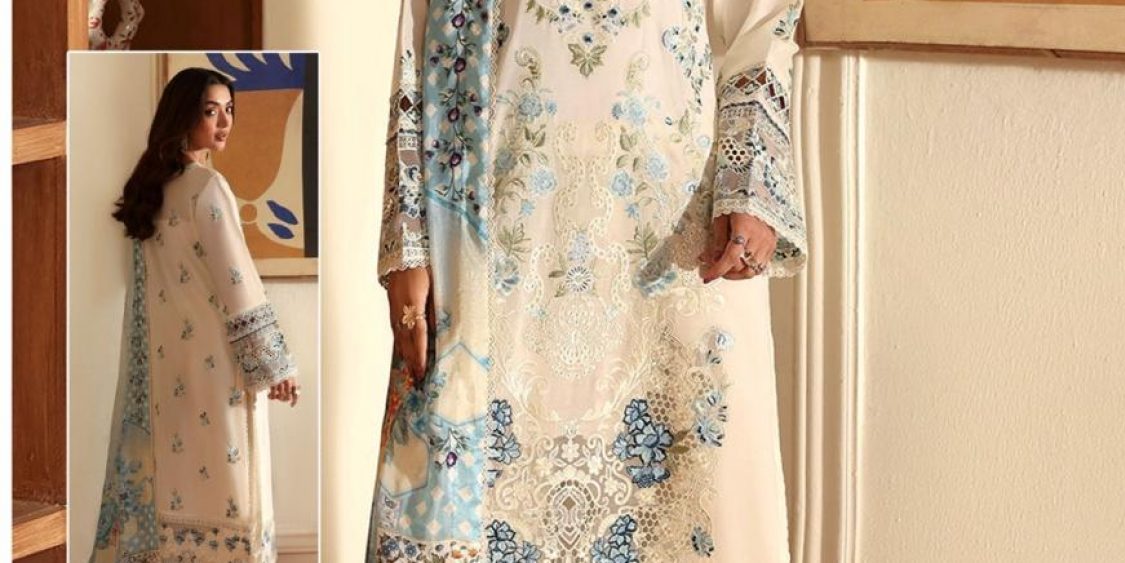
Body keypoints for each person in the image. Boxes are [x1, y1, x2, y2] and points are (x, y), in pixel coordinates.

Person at [368, 0, 808, 560]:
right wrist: (408, 238)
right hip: (492, 221)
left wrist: (750, 182)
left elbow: (762, 24)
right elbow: (421, 21)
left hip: (671, 217)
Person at [90, 67, 300, 563]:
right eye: (211, 111)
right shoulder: (208, 186)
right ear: (184, 116)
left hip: (165, 375)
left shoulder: (149, 190)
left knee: (174, 488)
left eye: (229, 110)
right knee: (234, 495)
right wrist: (277, 367)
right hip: (219, 370)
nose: (224, 122)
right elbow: (237, 282)